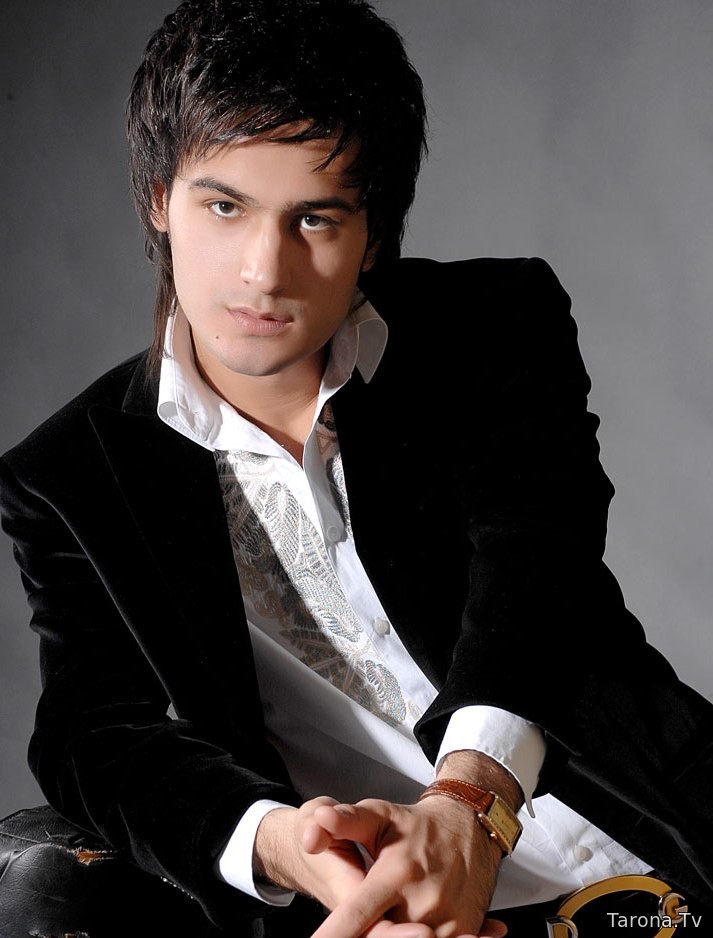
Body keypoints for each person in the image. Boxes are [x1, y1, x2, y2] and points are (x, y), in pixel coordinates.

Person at [1, 1, 713, 936]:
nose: (264, 271)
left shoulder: (492, 325)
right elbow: (93, 734)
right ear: (158, 199)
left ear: (371, 233)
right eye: (224, 206)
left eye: (315, 218)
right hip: (367, 909)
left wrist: (468, 807)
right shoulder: (69, 474)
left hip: (653, 849)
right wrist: (275, 842)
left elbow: (540, 566)